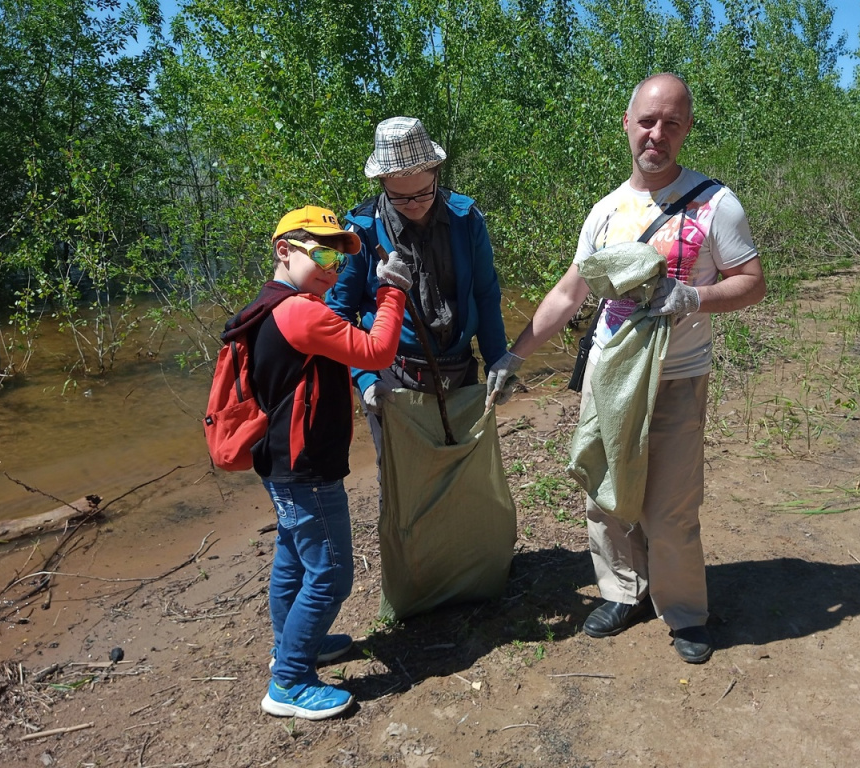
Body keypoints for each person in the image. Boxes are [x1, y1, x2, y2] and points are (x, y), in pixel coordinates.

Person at [487, 73, 766, 664]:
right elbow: (570, 293)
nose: (656, 134)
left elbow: (752, 284)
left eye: (670, 122)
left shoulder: (717, 204)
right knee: (604, 495)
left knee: (669, 507)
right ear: (627, 124)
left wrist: (693, 297)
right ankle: (623, 590)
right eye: (647, 121)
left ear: (686, 128)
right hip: (608, 378)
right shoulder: (607, 211)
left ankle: (685, 611)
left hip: (678, 376)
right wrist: (513, 356)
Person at [224, 205, 411, 719]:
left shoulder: (270, 305)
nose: (332, 267)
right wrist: (391, 289)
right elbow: (375, 352)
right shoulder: (303, 312)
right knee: (330, 573)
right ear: (283, 251)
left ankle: (292, 646)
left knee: (293, 560)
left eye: (339, 259)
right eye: (322, 253)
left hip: (279, 463)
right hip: (305, 469)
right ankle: (289, 682)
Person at [326, 116, 513, 459]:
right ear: (382, 182)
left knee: (464, 474)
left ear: (437, 174)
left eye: (423, 192)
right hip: (394, 379)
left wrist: (498, 359)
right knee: (403, 490)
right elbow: (336, 313)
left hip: (460, 373)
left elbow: (486, 295)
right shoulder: (362, 229)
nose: (413, 204)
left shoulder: (466, 218)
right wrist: (365, 379)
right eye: (399, 197)